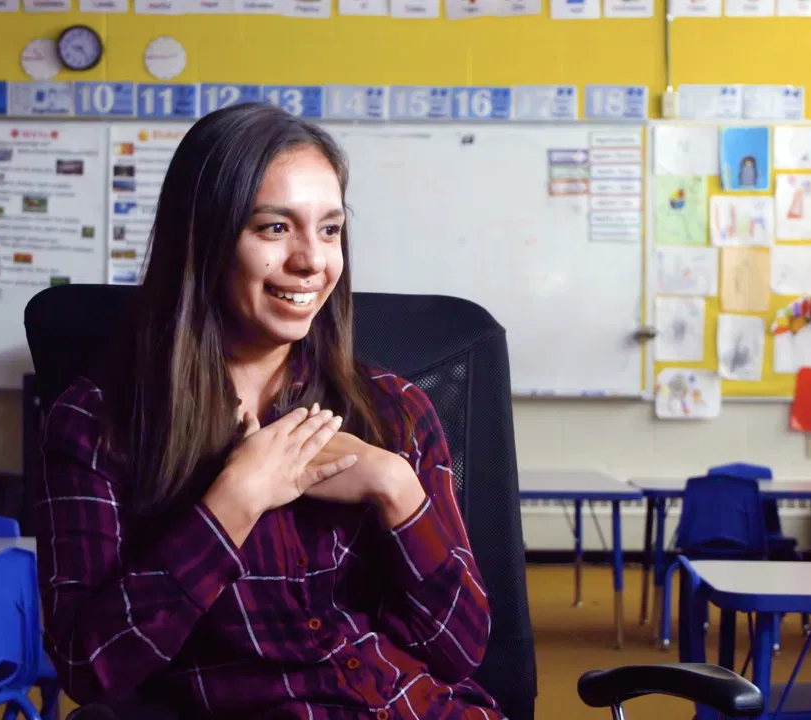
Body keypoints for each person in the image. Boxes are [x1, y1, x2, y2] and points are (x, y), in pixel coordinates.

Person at [35, 102, 500, 719]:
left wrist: (395, 487)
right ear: (202, 242)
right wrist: (234, 502)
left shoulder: (395, 409)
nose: (312, 261)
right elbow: (91, 666)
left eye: (329, 229)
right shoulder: (98, 423)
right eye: (275, 228)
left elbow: (460, 651)